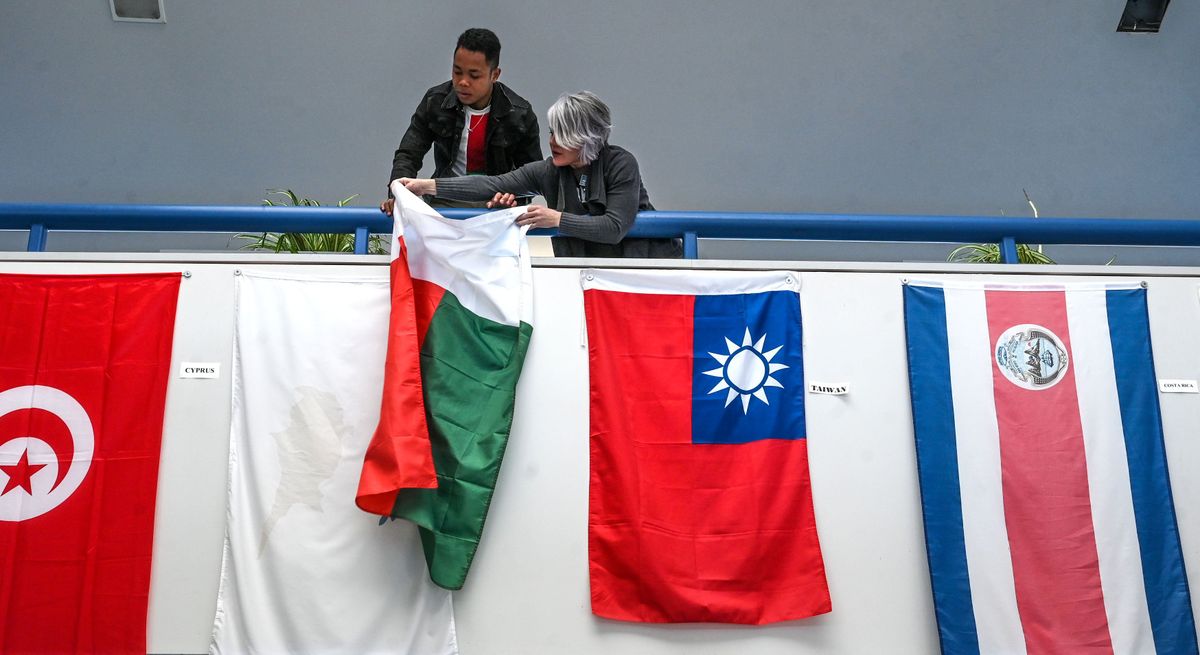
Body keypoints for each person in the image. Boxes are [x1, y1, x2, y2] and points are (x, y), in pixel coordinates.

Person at [397, 91, 682, 258]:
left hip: (648, 272)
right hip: (589, 274)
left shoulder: (621, 164)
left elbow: (614, 227)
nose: (553, 141)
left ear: (587, 137)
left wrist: (556, 219)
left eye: (564, 134)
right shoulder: (550, 170)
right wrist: (426, 186)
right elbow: (492, 184)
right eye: (552, 132)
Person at [380, 28, 542, 213]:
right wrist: (398, 195)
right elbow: (408, 154)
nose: (463, 82)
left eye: (474, 75)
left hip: (496, 207)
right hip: (444, 202)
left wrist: (512, 196)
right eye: (457, 72)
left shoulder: (520, 113)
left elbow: (533, 176)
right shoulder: (436, 101)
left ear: (495, 75)